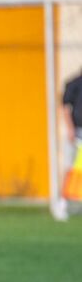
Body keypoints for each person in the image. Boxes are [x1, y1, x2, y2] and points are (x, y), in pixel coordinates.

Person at [61, 69, 82, 200]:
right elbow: (66, 107)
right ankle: (63, 201)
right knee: (70, 166)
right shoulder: (74, 84)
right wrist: (70, 128)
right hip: (76, 132)